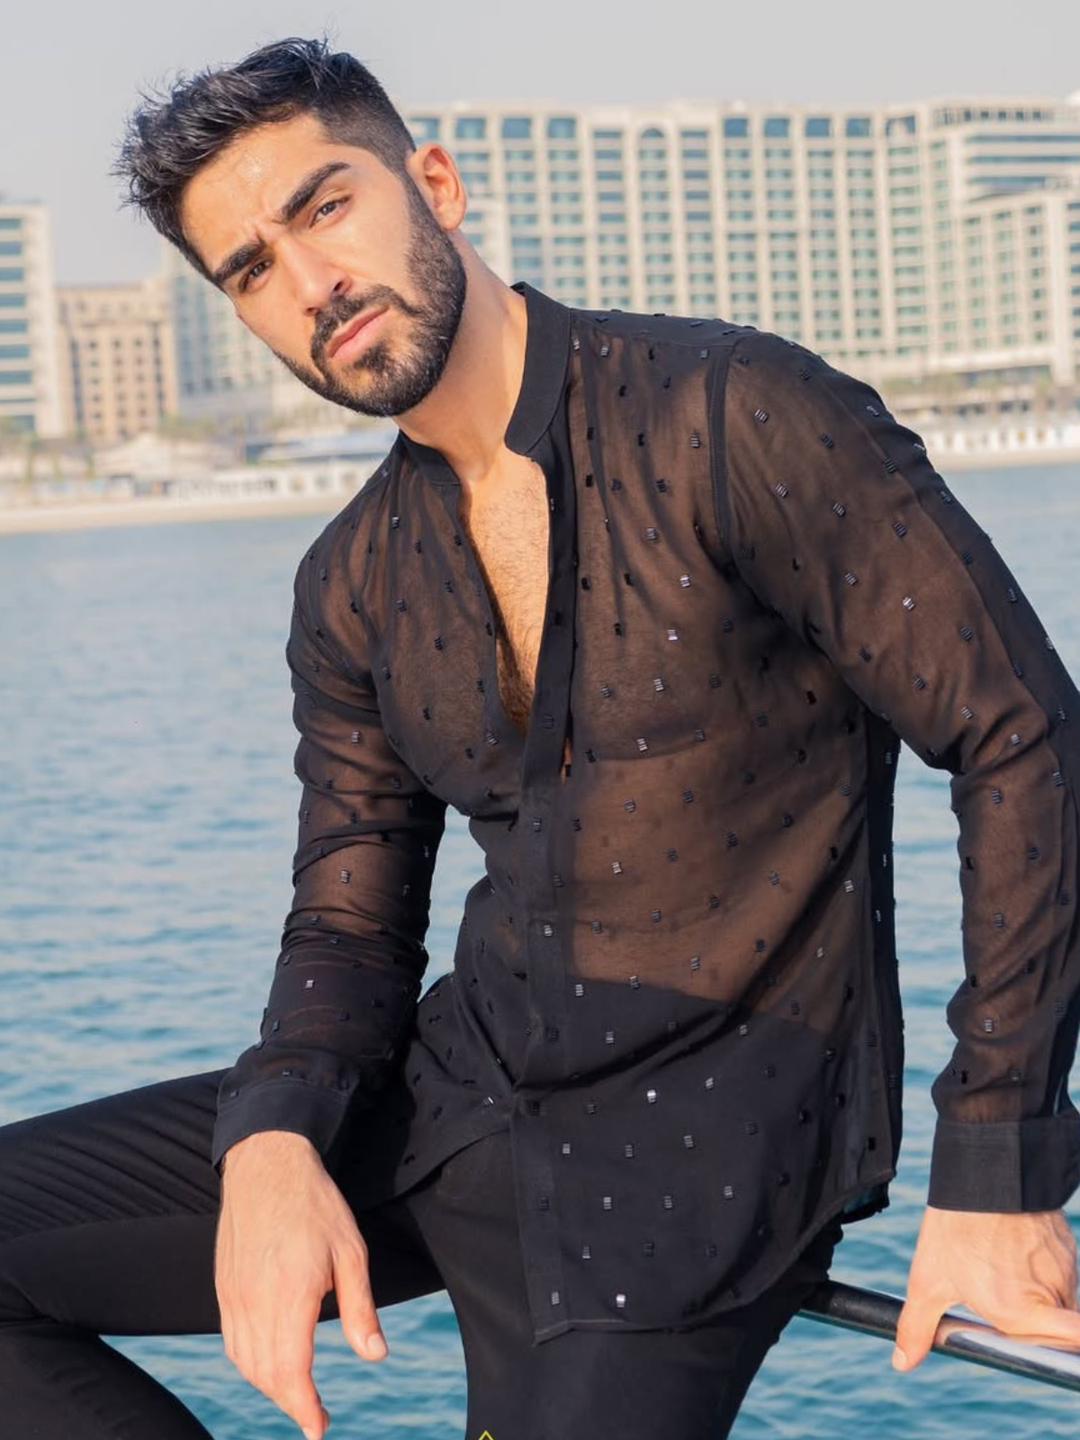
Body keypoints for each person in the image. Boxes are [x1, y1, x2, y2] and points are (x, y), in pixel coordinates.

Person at [3, 34, 1080, 1440]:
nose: (310, 282)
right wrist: (271, 1139)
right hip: (462, 1098)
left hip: (705, 1157)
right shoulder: (350, 582)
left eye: (325, 207)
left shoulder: (730, 415)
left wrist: (996, 1173)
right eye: (251, 269)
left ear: (435, 185)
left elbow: (1023, 738)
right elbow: (348, 923)